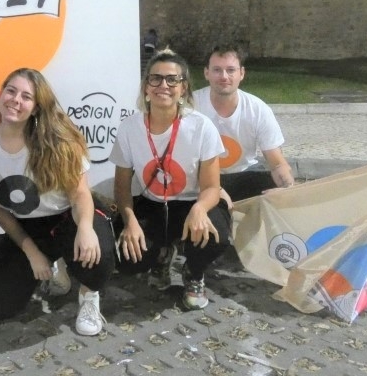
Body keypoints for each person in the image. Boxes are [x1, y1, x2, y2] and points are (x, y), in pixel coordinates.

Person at [0, 68, 116, 336]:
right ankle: (56, 265)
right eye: (11, 91)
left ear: (36, 108)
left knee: (98, 257)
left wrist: (85, 228)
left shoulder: (58, 140)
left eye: (26, 97)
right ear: (1, 94)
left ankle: (89, 296)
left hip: (67, 217)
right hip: (27, 227)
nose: (16, 100)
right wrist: (31, 251)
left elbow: (80, 194)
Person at [110, 48, 229, 310]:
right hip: (153, 203)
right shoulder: (130, 128)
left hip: (192, 201)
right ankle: (161, 254)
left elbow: (212, 187)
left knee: (215, 237)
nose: (163, 85)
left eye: (172, 79)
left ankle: (194, 272)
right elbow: (121, 187)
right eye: (155, 78)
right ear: (146, 87)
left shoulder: (201, 127)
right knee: (128, 260)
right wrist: (130, 221)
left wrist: (200, 208)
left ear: (183, 88)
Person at [193, 44, 295, 204]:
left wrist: (287, 187)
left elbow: (277, 164)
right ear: (207, 73)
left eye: (231, 70)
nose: (224, 76)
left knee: (275, 192)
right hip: (202, 179)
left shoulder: (258, 109)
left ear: (241, 73)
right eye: (217, 70)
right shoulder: (191, 106)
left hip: (244, 174)